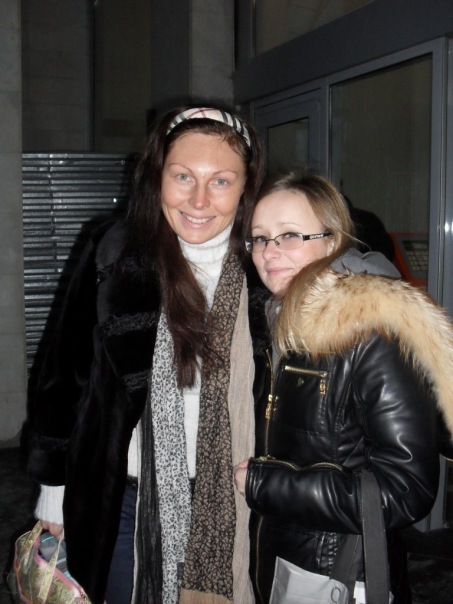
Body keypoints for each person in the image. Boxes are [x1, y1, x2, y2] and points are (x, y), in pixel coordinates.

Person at [26, 105, 265, 604]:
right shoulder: (114, 252)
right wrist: (54, 489)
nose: (198, 200)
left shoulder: (266, 268)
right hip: (123, 497)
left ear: (246, 188)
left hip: (237, 500)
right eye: (183, 176)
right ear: (157, 177)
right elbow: (62, 375)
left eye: (221, 181)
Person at [234, 171, 453, 603]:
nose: (269, 252)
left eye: (290, 235)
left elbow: (406, 489)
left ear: (332, 240)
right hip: (278, 558)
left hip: (341, 570)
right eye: (259, 238)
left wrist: (264, 485)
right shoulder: (273, 323)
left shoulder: (371, 333)